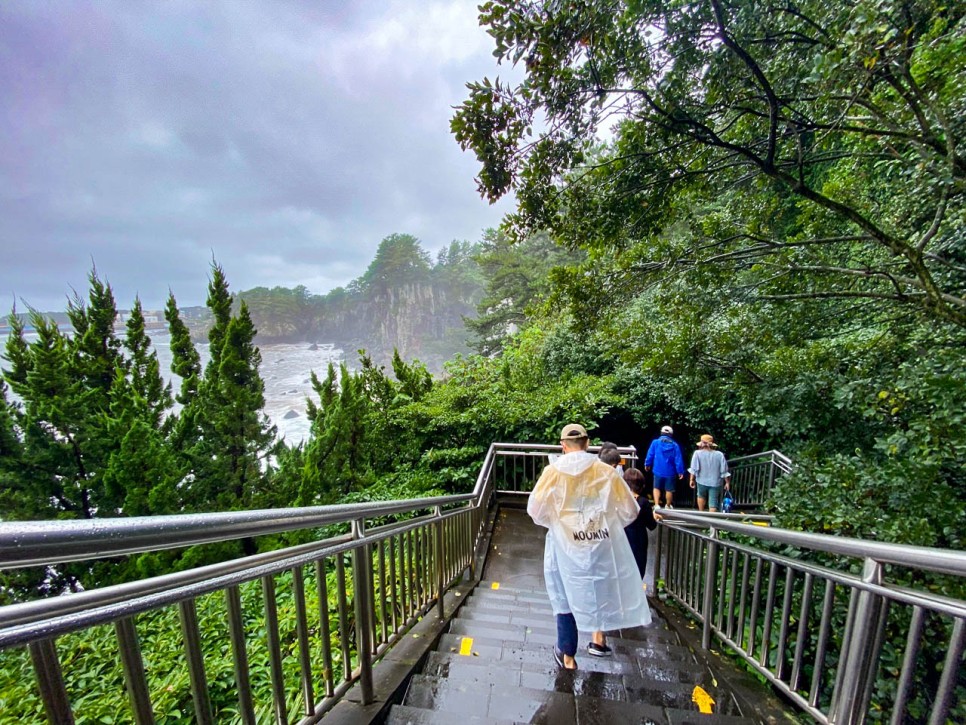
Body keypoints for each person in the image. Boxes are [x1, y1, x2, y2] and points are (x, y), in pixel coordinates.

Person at [527, 423, 651, 670]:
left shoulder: (552, 472)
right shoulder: (605, 472)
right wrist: (605, 523)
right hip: (598, 544)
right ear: (587, 443)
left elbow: (535, 510)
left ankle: (568, 654)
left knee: (564, 596)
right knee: (596, 590)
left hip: (562, 546)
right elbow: (630, 510)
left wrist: (558, 524)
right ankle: (598, 639)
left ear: (563, 446)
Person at [622, 468, 659, 582]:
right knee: (638, 569)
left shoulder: (619, 500)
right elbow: (651, 525)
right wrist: (655, 517)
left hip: (621, 538)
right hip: (638, 540)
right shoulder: (643, 502)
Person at [644, 425, 686, 508]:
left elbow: (650, 454)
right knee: (669, 490)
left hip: (657, 469)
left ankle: (656, 505)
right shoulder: (675, 445)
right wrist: (680, 471)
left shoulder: (655, 442)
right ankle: (668, 505)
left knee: (656, 487)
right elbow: (678, 459)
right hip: (670, 471)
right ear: (671, 434)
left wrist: (647, 464)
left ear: (661, 433)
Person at [688, 434, 731, 512]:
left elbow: (694, 468)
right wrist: (727, 482)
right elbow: (724, 470)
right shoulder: (720, 455)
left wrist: (691, 479)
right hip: (715, 482)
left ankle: (701, 513)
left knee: (701, 496)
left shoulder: (697, 453)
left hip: (701, 480)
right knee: (713, 501)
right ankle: (711, 520)